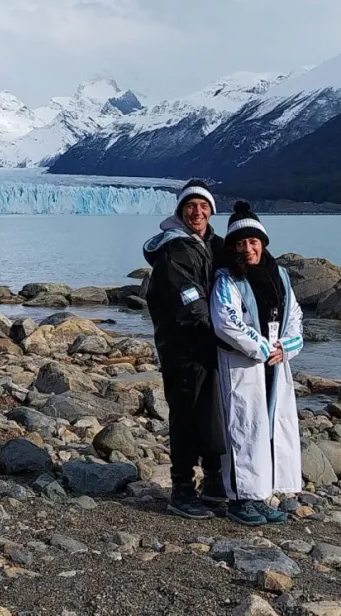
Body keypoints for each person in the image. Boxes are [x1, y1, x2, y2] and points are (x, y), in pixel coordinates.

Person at [210, 200, 303, 526]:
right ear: (233, 247)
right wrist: (263, 348)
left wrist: (286, 347)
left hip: (275, 363)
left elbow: (294, 317)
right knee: (244, 428)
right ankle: (240, 498)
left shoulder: (280, 276)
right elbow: (227, 322)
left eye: (253, 241)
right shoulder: (227, 280)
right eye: (240, 243)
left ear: (262, 243)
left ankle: (262, 493)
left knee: (269, 428)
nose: (248, 249)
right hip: (242, 365)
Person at [143, 178, 227, 519]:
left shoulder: (214, 245)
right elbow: (189, 303)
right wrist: (227, 335)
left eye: (204, 206)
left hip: (208, 345)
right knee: (186, 413)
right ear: (180, 210)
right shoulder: (174, 250)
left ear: (211, 211)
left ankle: (215, 481)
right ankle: (181, 489)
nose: (198, 211)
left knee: (212, 410)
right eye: (191, 205)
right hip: (182, 346)